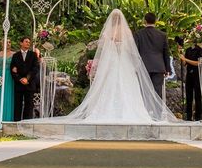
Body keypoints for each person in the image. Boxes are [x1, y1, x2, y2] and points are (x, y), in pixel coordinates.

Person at [37, 9, 178, 124]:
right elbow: (134, 50)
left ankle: (107, 110)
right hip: (129, 63)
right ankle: (155, 115)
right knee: (145, 89)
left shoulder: (113, 32)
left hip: (111, 62)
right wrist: (166, 68)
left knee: (111, 85)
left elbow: (103, 49)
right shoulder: (134, 33)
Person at [134, 12, 170, 97]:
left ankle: (146, 110)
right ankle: (157, 110)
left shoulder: (138, 34)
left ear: (144, 21)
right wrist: (167, 68)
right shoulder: (162, 35)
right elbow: (166, 52)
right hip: (158, 66)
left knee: (144, 91)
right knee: (157, 92)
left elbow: (136, 51)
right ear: (156, 21)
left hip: (144, 66)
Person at [11, 37, 39, 121]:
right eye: (26, 41)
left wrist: (27, 79)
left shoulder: (33, 55)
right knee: (17, 105)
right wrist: (20, 79)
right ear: (21, 43)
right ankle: (16, 123)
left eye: (29, 42)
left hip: (29, 84)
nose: (28, 43)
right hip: (18, 85)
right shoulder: (15, 56)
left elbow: (35, 69)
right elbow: (12, 69)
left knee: (29, 105)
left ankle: (27, 124)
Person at [178, 43, 202, 121]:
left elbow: (199, 63)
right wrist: (181, 54)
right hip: (189, 74)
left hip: (198, 74)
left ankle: (198, 117)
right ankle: (188, 117)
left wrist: (185, 59)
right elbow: (184, 64)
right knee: (189, 96)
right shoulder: (188, 50)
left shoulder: (201, 50)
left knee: (198, 96)